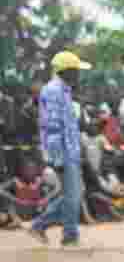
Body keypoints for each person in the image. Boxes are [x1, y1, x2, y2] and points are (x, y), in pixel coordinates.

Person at [26, 51, 91, 246]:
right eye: (76, 71)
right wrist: (59, 157)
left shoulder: (64, 91)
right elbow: (52, 126)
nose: (79, 75)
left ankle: (39, 226)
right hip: (62, 151)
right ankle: (69, 236)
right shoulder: (53, 91)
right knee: (73, 195)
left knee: (74, 194)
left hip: (70, 150)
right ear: (67, 71)